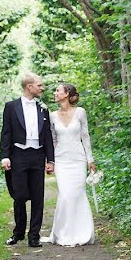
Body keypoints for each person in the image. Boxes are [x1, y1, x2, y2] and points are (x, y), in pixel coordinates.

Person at [0, 73, 55, 247]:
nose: (42, 88)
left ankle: (34, 236)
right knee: (20, 195)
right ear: (29, 87)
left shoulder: (43, 108)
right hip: (18, 156)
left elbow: (47, 136)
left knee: (38, 197)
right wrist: (5, 156)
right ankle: (18, 233)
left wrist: (50, 160)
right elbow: (6, 133)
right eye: (39, 85)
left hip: (38, 156)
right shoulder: (11, 107)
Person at [42, 83, 96, 246]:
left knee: (78, 194)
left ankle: (82, 232)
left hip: (78, 159)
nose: (55, 93)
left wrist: (90, 159)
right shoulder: (52, 116)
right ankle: (63, 233)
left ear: (66, 94)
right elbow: (52, 140)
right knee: (65, 195)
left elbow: (85, 136)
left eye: (58, 90)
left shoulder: (80, 112)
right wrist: (50, 161)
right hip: (61, 160)